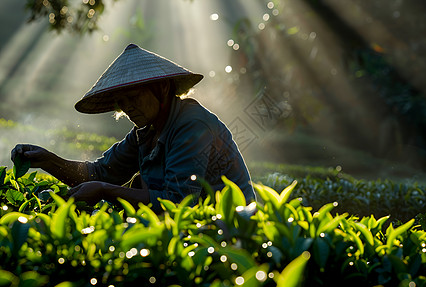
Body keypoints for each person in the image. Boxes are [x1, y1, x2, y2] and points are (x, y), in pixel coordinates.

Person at [11, 44, 255, 213]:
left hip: (227, 230)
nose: (126, 108)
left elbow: (177, 203)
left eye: (133, 97)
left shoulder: (192, 125)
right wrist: (47, 161)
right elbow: (99, 174)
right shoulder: (145, 133)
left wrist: (105, 191)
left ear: (161, 89)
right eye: (121, 101)